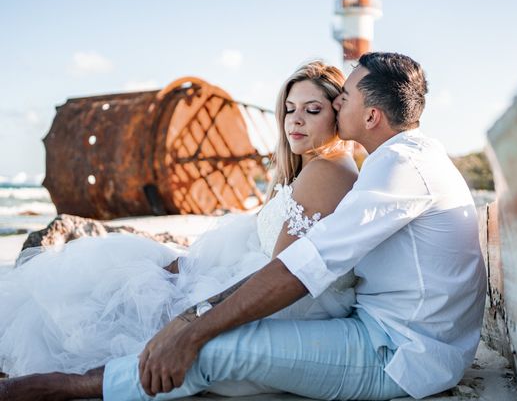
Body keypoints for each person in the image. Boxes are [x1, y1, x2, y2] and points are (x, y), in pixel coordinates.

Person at [0, 52, 487, 401]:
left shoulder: (397, 167)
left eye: (345, 98)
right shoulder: (403, 159)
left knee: (208, 354)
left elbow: (303, 266)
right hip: (397, 335)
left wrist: (190, 327)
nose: (337, 106)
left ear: (373, 114)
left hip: (398, 356)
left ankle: (66, 388)